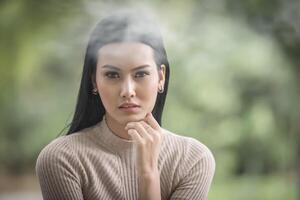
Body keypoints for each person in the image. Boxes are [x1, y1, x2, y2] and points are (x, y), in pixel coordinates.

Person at [36, 11, 215, 200]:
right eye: (112, 75)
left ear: (161, 77)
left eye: (140, 74)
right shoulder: (62, 159)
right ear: (94, 81)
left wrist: (148, 174)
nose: (128, 91)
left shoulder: (193, 159)